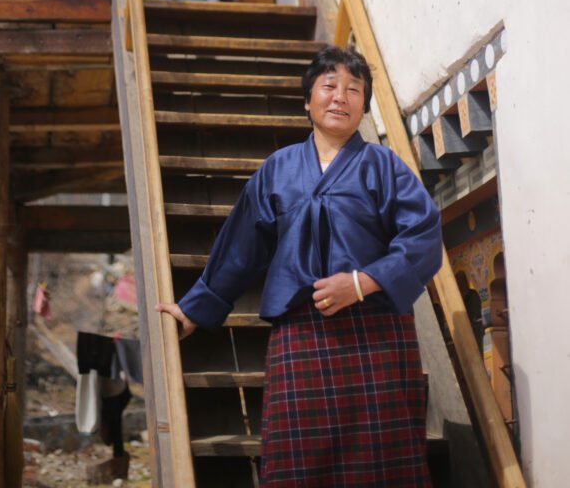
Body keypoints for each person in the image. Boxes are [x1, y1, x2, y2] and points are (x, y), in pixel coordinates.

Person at [157, 45, 443, 487]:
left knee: (383, 464)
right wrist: (194, 308)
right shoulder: (278, 169)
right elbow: (241, 247)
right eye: (329, 86)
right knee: (298, 464)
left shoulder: (384, 166)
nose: (340, 97)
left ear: (364, 106)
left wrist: (361, 283)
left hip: (376, 331)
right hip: (301, 334)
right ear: (307, 100)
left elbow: (422, 238)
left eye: (354, 89)